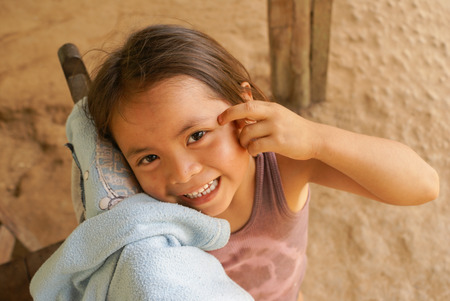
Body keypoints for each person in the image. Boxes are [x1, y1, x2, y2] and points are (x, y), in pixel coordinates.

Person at [87, 24, 439, 301]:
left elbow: (423, 185)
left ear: (244, 106)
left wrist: (316, 139)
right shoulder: (146, 219)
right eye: (149, 157)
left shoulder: (281, 168)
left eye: (197, 135)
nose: (182, 173)